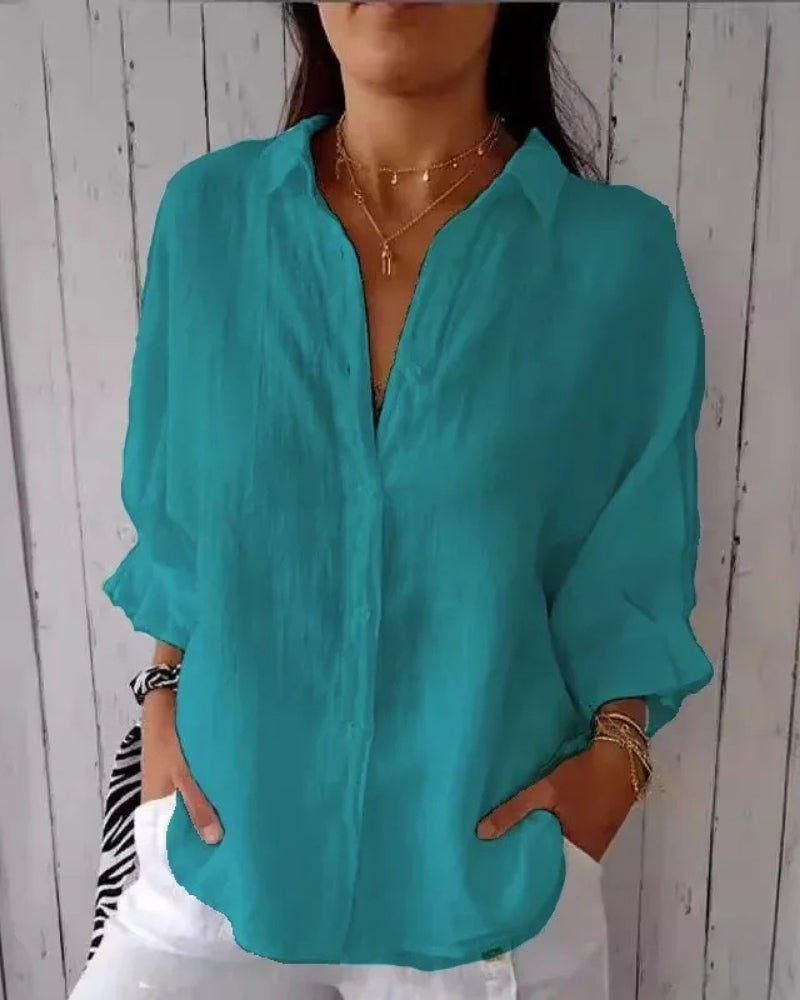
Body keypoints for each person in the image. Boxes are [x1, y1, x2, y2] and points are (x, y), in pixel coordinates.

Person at [69, 3, 713, 998]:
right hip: (217, 854)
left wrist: (614, 765)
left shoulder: (613, 254)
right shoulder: (209, 219)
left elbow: (631, 554)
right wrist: (162, 697)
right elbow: (180, 521)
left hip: (488, 888)